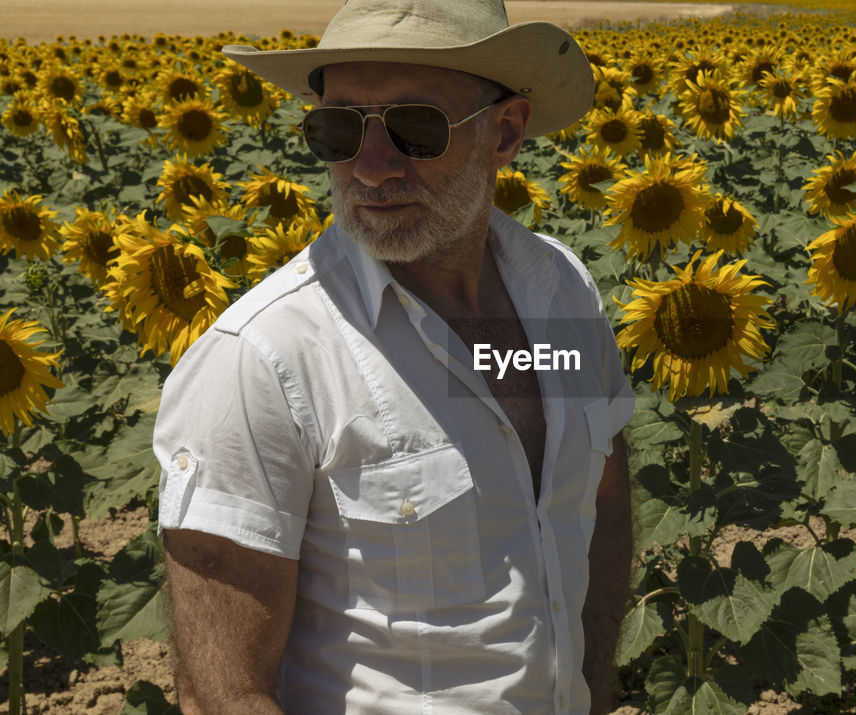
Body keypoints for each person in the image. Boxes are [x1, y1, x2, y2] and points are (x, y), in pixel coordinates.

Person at [152, 1, 635, 713]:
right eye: (339, 130)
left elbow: (599, 491)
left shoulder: (556, 292)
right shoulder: (265, 360)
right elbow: (224, 694)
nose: (371, 169)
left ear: (505, 132)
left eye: (416, 127)